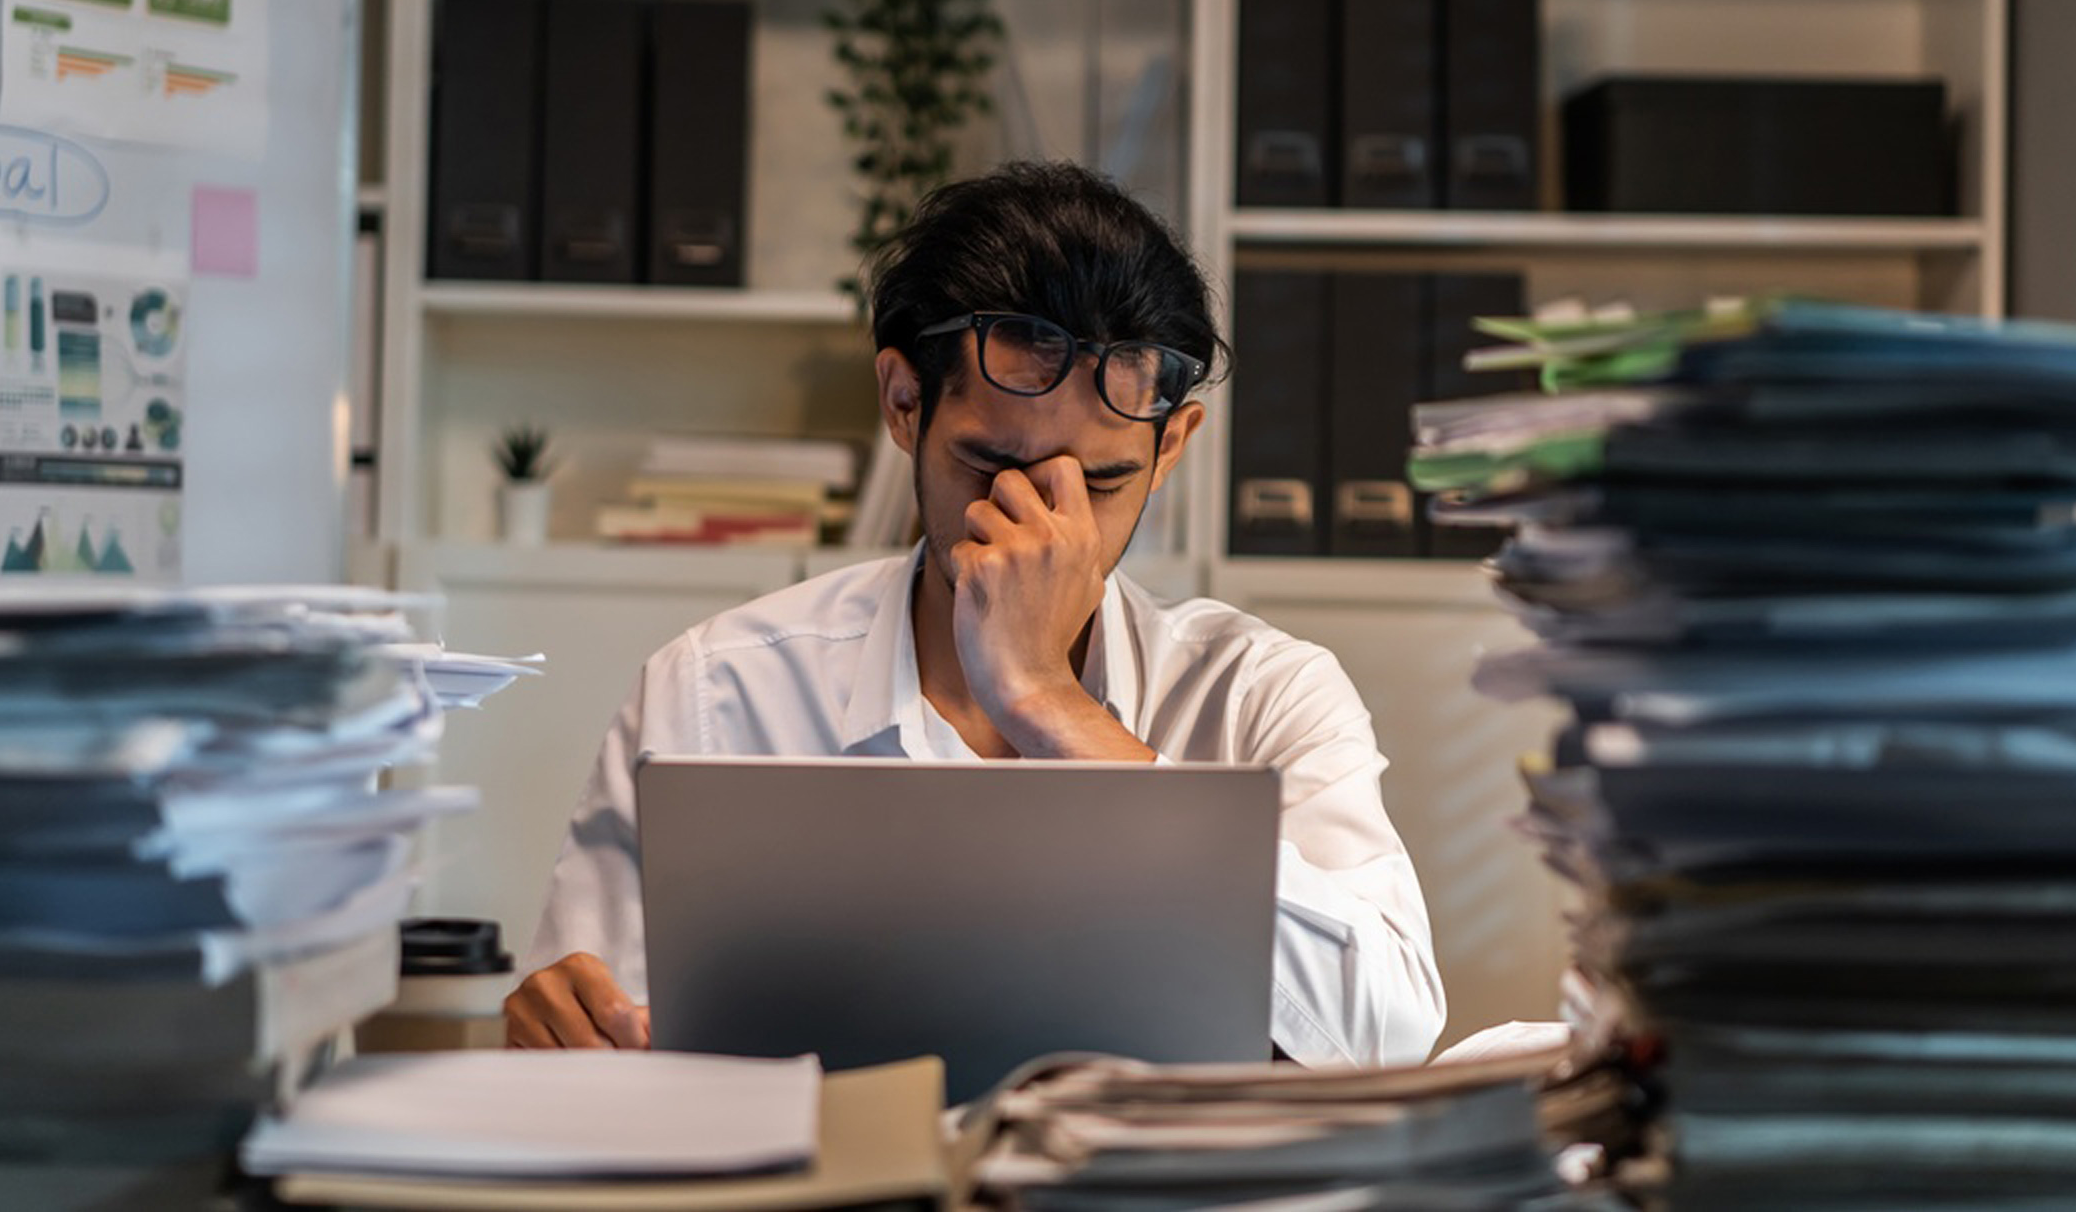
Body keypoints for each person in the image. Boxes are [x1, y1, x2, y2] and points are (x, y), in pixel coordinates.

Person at [505, 161, 1447, 1067]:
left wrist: (1050, 705)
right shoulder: (719, 688)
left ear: (1171, 449)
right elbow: (601, 1037)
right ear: (904, 403)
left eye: (1106, 481)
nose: (1040, 526)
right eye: (993, 469)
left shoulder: (1260, 694)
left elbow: (1390, 1030)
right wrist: (570, 1036)